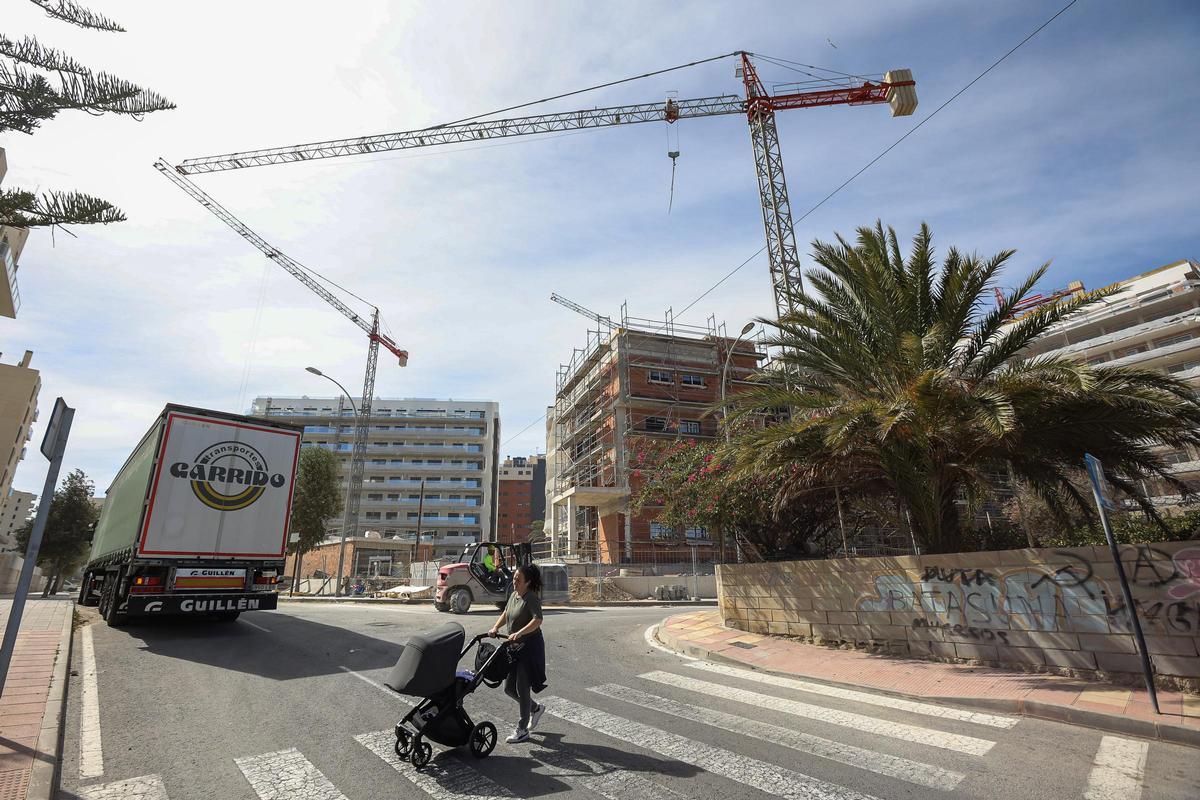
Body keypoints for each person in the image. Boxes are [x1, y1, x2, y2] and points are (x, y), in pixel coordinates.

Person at [487, 563, 547, 744]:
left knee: (522, 687)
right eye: (514, 578)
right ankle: (535, 708)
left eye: (518, 579)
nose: (514, 581)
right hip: (514, 648)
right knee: (509, 689)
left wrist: (520, 633)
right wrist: (496, 627)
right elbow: (506, 612)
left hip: (529, 649)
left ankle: (522, 729)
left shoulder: (531, 598)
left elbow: (538, 620)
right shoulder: (514, 595)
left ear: (528, 582)